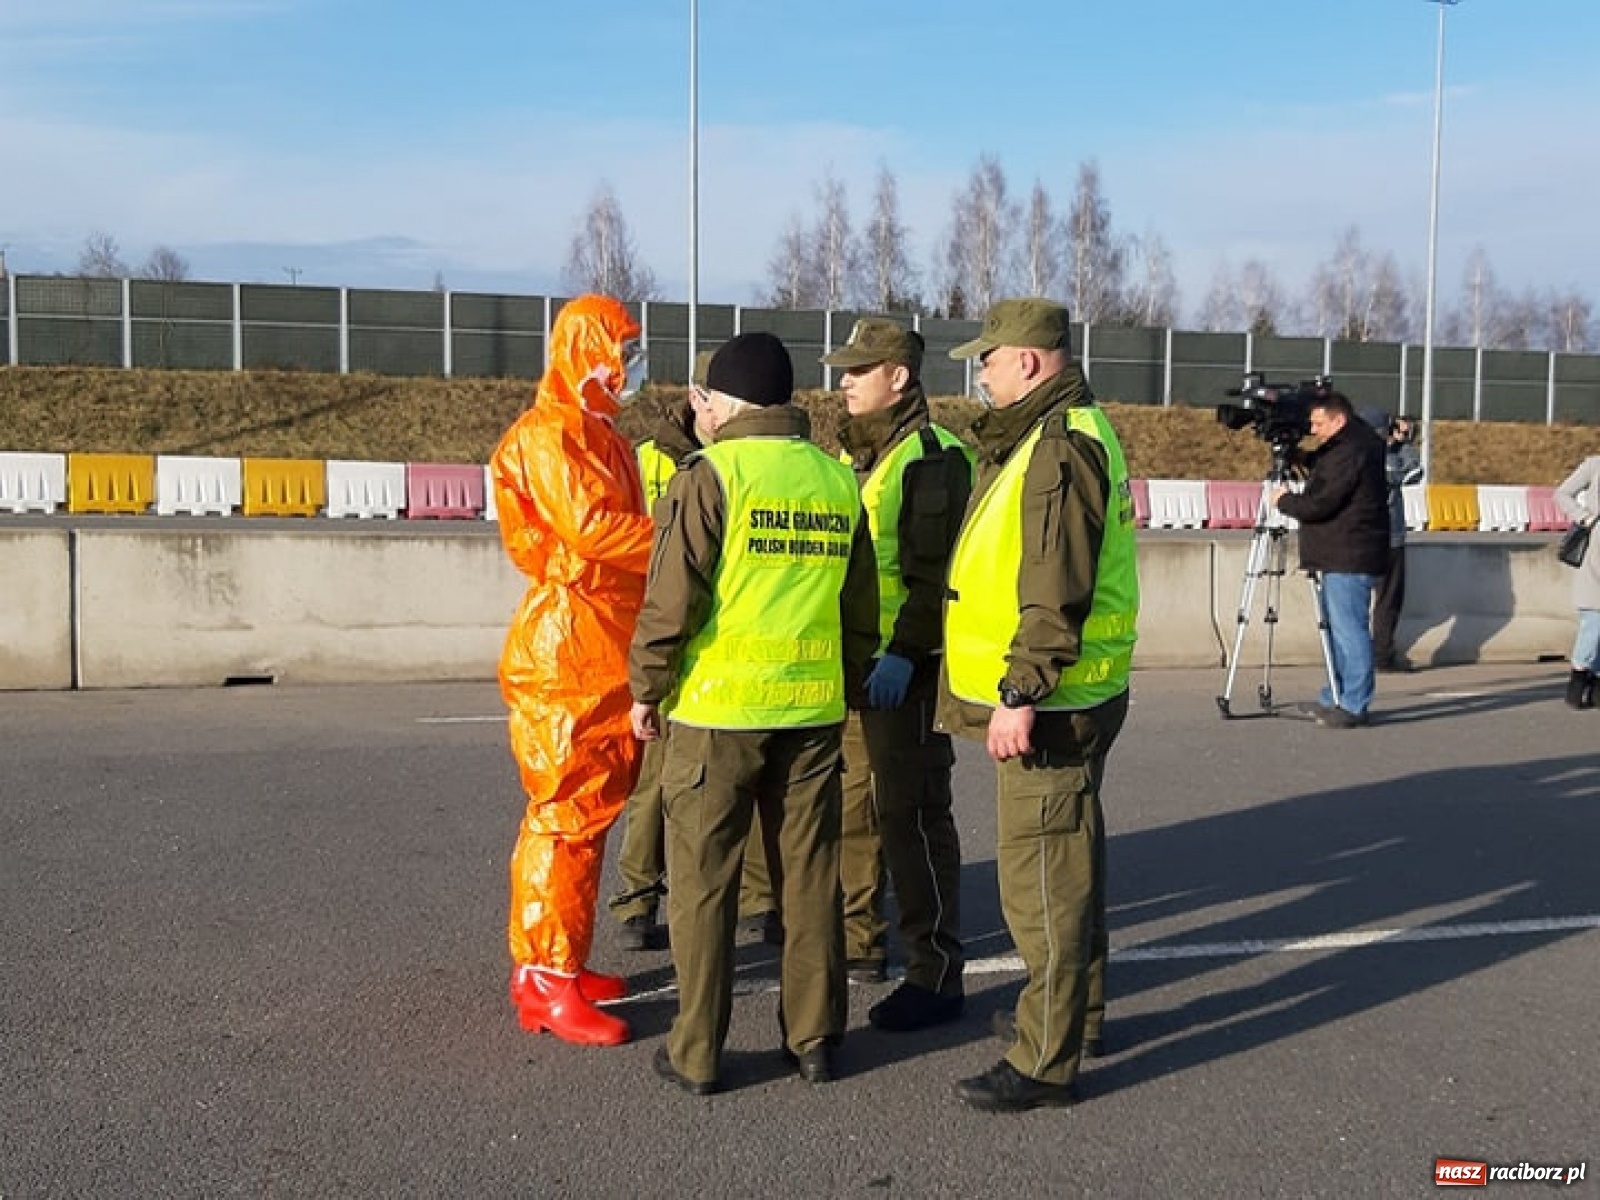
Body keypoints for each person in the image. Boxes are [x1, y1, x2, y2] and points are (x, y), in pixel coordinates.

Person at [629, 331, 879, 1094]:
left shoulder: (713, 475)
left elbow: (671, 602)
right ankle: (813, 1040)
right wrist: (851, 682)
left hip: (717, 712)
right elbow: (859, 609)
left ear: (728, 403)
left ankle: (697, 1051)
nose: (697, 409)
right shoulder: (837, 480)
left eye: (705, 397)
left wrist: (645, 689)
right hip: (812, 714)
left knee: (705, 885)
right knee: (809, 882)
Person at [941, 298, 1139, 1113]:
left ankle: (1045, 1061)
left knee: (1042, 886)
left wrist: (1020, 691)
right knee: (1073, 863)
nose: (980, 371)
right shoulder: (1075, 430)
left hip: (1050, 702)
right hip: (1083, 690)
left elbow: (1053, 586)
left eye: (987, 358)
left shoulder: (1056, 449)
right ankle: (1078, 1018)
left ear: (1028, 360)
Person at [492, 293, 654, 1047]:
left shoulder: (607, 439)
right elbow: (592, 530)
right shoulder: (547, 435)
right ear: (591, 352)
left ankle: (553, 963)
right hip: (566, 651)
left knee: (584, 816)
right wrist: (685, 538)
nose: (632, 366)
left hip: (603, 642)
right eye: (624, 349)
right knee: (566, 816)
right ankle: (550, 978)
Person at [818, 318, 973, 1027]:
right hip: (856, 672)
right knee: (855, 812)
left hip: (900, 675)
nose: (844, 379)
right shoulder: (862, 457)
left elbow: (931, 573)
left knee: (911, 820)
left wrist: (905, 653)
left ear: (900, 377)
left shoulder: (929, 458)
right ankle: (861, 943)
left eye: (860, 368)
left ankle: (935, 972)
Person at [607, 349, 780, 951]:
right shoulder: (646, 462)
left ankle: (758, 902)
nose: (714, 411)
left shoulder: (744, 462)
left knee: (745, 790)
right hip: (662, 640)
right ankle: (637, 899)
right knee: (652, 785)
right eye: (705, 399)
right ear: (695, 398)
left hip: (722, 653)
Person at [1273, 391, 1390, 729]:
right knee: (1338, 630)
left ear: (1339, 420)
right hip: (1345, 549)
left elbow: (1321, 502)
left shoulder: (1349, 450)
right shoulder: (1351, 444)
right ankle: (1335, 695)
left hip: (1349, 552)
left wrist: (1284, 501)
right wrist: (1298, 457)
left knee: (1349, 630)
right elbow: (1322, 471)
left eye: (1319, 423)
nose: (1314, 430)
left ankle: (1353, 703)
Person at [1358, 410, 1425, 672]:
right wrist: (1404, 443)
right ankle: (1381, 656)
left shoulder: (1352, 454)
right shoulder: (1387, 459)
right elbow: (1414, 472)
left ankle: (1363, 655)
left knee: (1362, 599)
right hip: (1387, 538)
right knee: (1387, 600)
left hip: (1361, 537)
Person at [1554, 455, 1600, 709]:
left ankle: (1594, 684)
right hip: (1596, 554)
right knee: (1594, 619)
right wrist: (1585, 518)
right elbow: (1562, 494)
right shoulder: (1594, 465)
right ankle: (1578, 678)